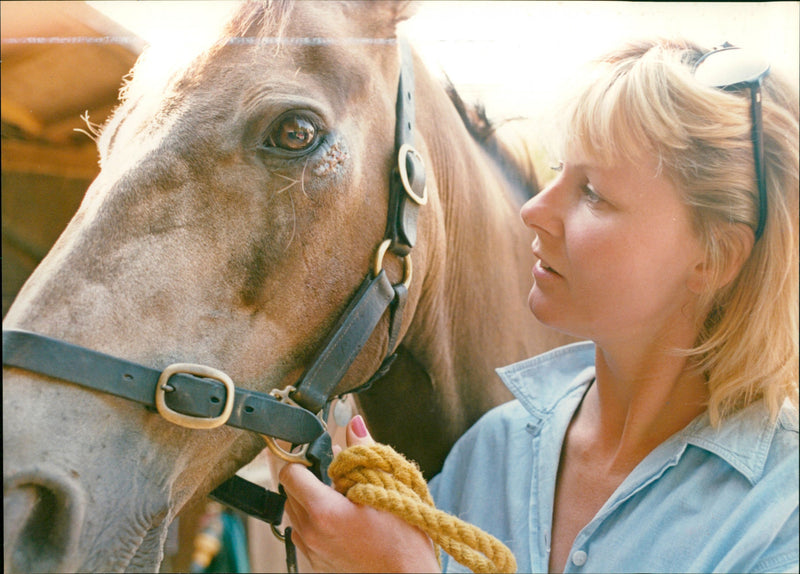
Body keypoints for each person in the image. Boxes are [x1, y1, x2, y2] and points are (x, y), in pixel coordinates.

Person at [279, 38, 799, 573]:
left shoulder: (783, 514)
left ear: (715, 258)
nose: (533, 210)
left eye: (593, 192)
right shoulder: (489, 452)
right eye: (558, 172)